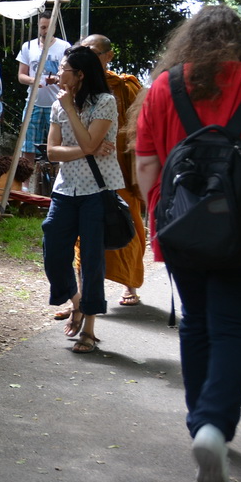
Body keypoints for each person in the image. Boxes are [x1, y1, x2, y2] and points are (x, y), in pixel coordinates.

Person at [135, 6, 241, 482]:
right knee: (238, 327)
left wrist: (160, 214)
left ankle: (200, 422)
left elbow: (146, 166)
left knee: (197, 322)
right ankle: (214, 424)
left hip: (183, 229)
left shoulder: (164, 87)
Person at [42, 46, 123, 355]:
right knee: (52, 249)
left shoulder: (105, 102)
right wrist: (86, 149)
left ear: (79, 74)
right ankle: (76, 301)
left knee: (91, 260)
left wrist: (73, 115)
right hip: (65, 190)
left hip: (97, 191)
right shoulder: (58, 105)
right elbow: (53, 152)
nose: (58, 73)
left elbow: (89, 141)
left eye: (64, 68)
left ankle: (89, 328)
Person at [81, 35, 147, 306]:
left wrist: (137, 171)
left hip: (119, 170)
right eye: (82, 52)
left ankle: (129, 284)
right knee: (83, 231)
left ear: (109, 56)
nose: (87, 58)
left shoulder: (125, 86)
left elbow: (140, 128)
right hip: (84, 169)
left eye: (93, 52)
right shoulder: (76, 85)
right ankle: (81, 294)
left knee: (124, 222)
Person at [17, 12, 71, 192]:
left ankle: (59, 184)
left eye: (48, 27)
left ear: (54, 27)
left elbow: (70, 75)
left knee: (58, 145)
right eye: (42, 27)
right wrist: (34, 80)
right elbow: (21, 75)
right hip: (33, 102)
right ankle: (25, 185)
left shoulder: (64, 47)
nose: (45, 30)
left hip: (57, 104)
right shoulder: (28, 46)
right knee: (28, 145)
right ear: (38, 27)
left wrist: (56, 79)